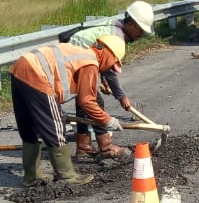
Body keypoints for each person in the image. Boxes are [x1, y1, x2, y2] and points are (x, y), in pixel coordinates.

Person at [10, 34, 127, 187]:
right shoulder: (90, 62)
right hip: (36, 75)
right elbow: (87, 101)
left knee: (31, 127)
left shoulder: (78, 53)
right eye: (113, 63)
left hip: (20, 68)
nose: (111, 68)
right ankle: (66, 175)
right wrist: (107, 120)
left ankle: (32, 176)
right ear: (107, 53)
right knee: (55, 126)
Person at [68, 0, 154, 159]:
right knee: (93, 102)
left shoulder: (115, 26)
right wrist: (121, 96)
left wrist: (104, 79)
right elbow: (110, 69)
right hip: (77, 56)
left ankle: (83, 146)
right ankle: (106, 147)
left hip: (80, 56)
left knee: (83, 103)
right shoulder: (117, 35)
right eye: (140, 30)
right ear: (131, 24)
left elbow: (102, 58)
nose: (140, 35)